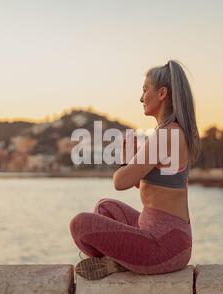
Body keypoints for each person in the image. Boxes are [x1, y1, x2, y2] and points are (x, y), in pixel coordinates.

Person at [69, 60, 201, 280]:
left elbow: (120, 182)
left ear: (161, 93)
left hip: (164, 247)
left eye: (144, 90)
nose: (141, 98)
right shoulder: (172, 132)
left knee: (80, 224)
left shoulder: (166, 135)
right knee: (105, 208)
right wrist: (133, 162)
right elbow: (150, 187)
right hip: (165, 237)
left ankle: (120, 262)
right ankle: (124, 261)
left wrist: (125, 162)